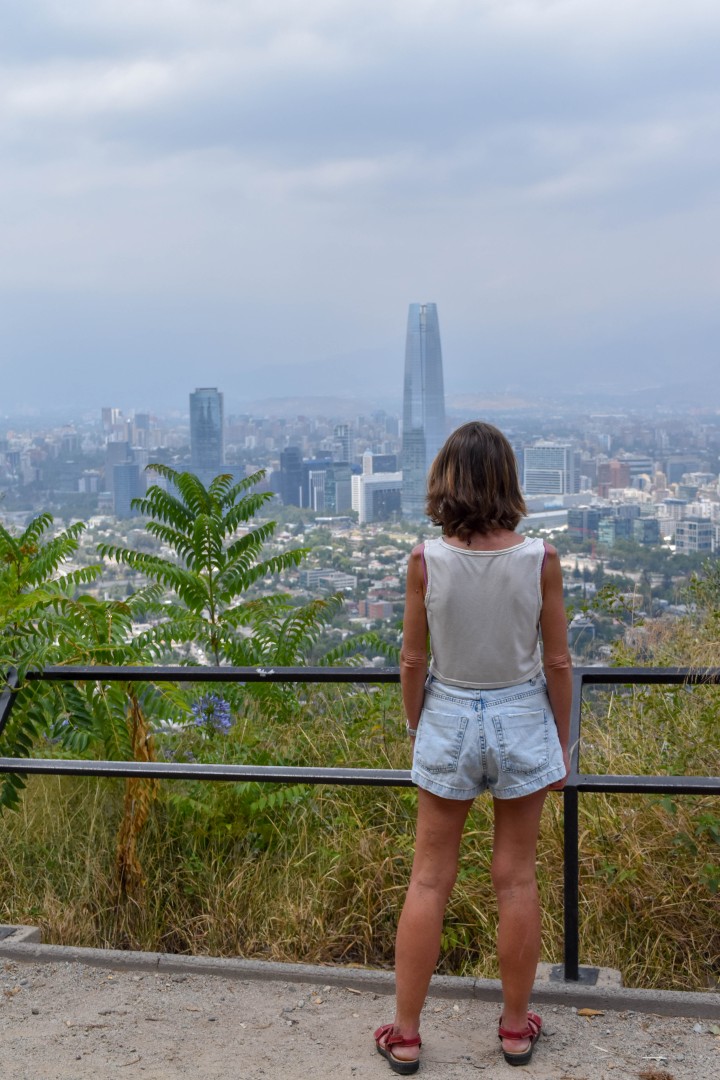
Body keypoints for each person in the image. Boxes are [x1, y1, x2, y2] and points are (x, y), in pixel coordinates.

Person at [374, 421, 571, 1074]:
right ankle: (516, 1029)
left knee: (429, 878)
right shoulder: (540, 558)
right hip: (520, 714)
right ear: (508, 481)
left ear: (445, 483)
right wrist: (561, 746)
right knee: (515, 878)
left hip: (449, 712)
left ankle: (404, 1033)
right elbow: (559, 662)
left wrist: (415, 724)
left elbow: (411, 657)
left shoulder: (425, 561)